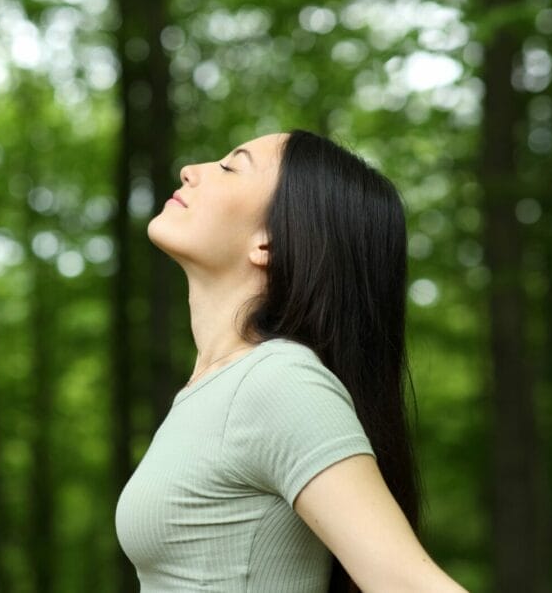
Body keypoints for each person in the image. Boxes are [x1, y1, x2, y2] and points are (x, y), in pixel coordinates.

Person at [114, 130, 468, 592]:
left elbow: (407, 582)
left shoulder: (276, 382)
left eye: (229, 167)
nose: (190, 171)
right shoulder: (214, 388)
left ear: (269, 243)